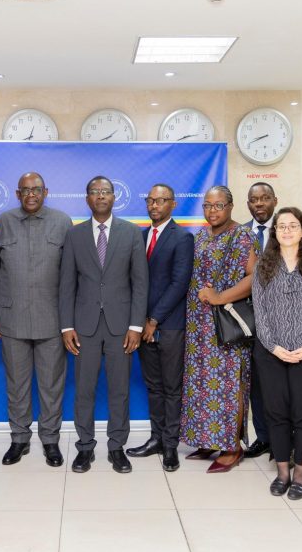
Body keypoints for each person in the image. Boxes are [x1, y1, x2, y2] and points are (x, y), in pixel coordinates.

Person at [0, 172, 73, 467]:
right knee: (17, 384)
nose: (31, 194)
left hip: (52, 318)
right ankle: (19, 439)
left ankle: (50, 441)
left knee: (51, 385)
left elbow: (71, 274)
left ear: (45, 192)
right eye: (25, 190)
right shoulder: (3, 221)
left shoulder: (62, 222)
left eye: (36, 189)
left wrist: (69, 320)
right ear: (16, 193)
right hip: (11, 319)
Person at [60, 176, 148, 474]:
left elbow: (140, 283)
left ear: (114, 197)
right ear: (87, 199)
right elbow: (66, 285)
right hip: (83, 326)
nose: (100, 196)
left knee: (119, 390)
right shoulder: (75, 235)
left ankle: (116, 447)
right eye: (95, 192)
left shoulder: (132, 233)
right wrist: (66, 326)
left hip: (121, 327)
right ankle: (85, 447)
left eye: (106, 192)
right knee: (84, 389)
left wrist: (136, 326)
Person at [252, 208, 302, 500]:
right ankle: (283, 471)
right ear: (275, 232)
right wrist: (274, 347)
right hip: (271, 352)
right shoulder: (263, 266)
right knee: (276, 412)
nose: (286, 230)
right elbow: (260, 313)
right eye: (281, 226)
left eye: (292, 226)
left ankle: (300, 474)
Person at [180, 186, 257, 473]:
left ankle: (232, 447)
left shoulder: (243, 235)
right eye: (208, 206)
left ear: (231, 206)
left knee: (229, 385)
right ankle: (209, 439)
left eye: (219, 206)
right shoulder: (200, 236)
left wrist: (220, 297)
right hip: (198, 328)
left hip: (227, 326)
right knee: (201, 385)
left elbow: (254, 277)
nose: (213, 211)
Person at [126, 184, 193, 472]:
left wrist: (153, 320)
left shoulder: (183, 238)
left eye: (161, 201)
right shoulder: (140, 237)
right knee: (153, 386)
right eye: (150, 200)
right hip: (142, 327)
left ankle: (170, 446)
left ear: (173, 204)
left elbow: (179, 284)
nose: (154, 205)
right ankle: (155, 438)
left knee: (171, 388)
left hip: (169, 326)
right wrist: (139, 322)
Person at [242, 181, 277, 459]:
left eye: (265, 198)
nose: (259, 204)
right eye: (254, 200)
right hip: (248, 323)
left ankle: (282, 441)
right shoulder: (241, 234)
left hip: (282, 323)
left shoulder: (288, 230)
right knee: (255, 386)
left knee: (280, 386)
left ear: (274, 201)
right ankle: (263, 437)